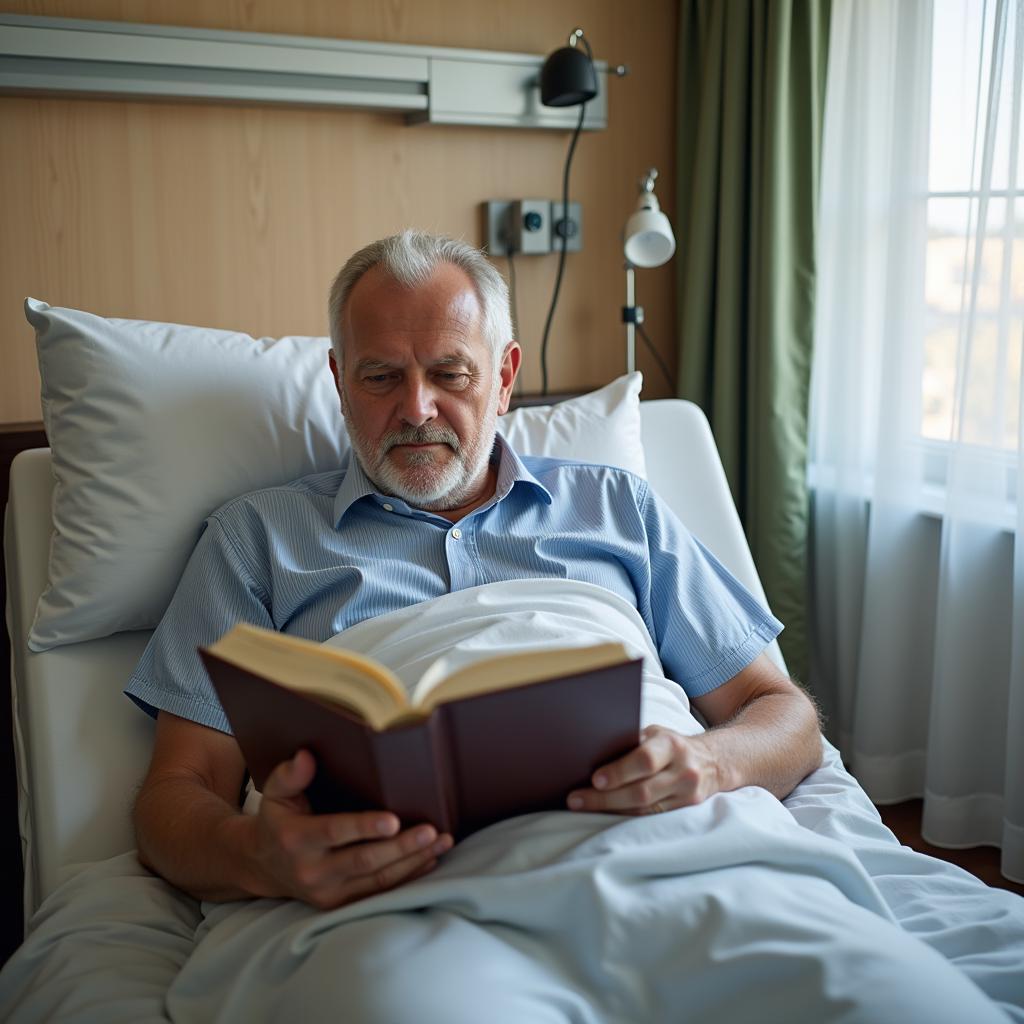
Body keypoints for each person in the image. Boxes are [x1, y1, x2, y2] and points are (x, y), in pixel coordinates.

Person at [128, 229, 823, 911]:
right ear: (340, 383)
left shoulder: (618, 508)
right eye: (380, 377)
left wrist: (710, 761)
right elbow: (175, 793)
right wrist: (259, 858)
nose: (417, 409)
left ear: (504, 379)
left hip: (665, 854)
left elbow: (784, 714)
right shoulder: (254, 539)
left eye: (450, 374)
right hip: (399, 897)